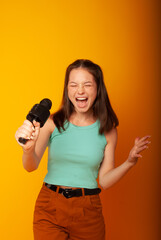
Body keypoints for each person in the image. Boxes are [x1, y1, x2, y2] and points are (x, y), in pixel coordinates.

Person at [15, 59, 151, 240]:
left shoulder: (108, 130)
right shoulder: (51, 123)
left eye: (87, 84)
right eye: (74, 85)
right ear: (67, 89)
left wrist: (130, 161)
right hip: (50, 207)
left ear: (98, 89)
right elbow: (30, 166)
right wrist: (28, 150)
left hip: (88, 212)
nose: (80, 91)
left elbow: (105, 180)